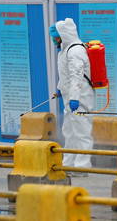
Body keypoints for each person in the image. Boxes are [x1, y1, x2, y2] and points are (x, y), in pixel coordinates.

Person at [49, 18, 95, 173]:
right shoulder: (65, 50)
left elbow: (77, 76)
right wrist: (61, 89)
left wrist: (74, 97)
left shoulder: (75, 51)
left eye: (56, 36)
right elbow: (65, 76)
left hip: (80, 97)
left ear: (64, 34)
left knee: (82, 132)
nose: (55, 40)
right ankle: (69, 163)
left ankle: (82, 166)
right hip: (71, 97)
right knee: (69, 131)